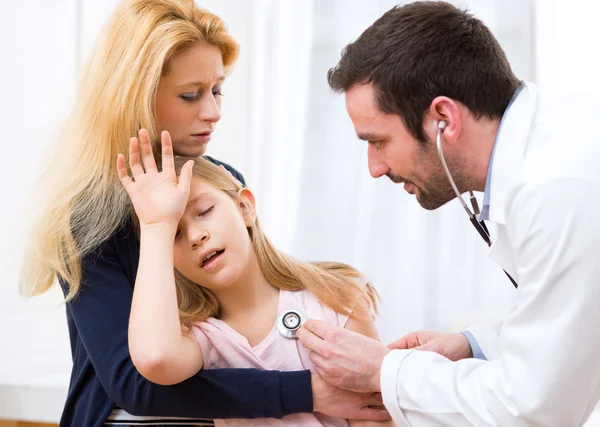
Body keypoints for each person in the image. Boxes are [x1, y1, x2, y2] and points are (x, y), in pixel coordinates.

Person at [18, 0, 387, 426]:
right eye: (191, 95)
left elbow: (246, 321)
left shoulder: (220, 180)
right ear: (136, 96)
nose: (213, 112)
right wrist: (309, 392)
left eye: (217, 90)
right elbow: (136, 385)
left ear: (243, 204)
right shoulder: (89, 221)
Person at [297, 1, 600, 426]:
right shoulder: (554, 148)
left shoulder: (559, 190)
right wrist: (472, 344)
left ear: (443, 119)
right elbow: (576, 325)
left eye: (378, 141)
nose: (374, 167)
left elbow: (535, 410)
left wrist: (384, 372)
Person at [116, 130, 394, 427]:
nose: (196, 236)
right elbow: (156, 358)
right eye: (175, 235)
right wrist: (156, 225)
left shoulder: (334, 298)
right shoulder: (203, 339)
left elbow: (375, 416)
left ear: (245, 207)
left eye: (205, 211)